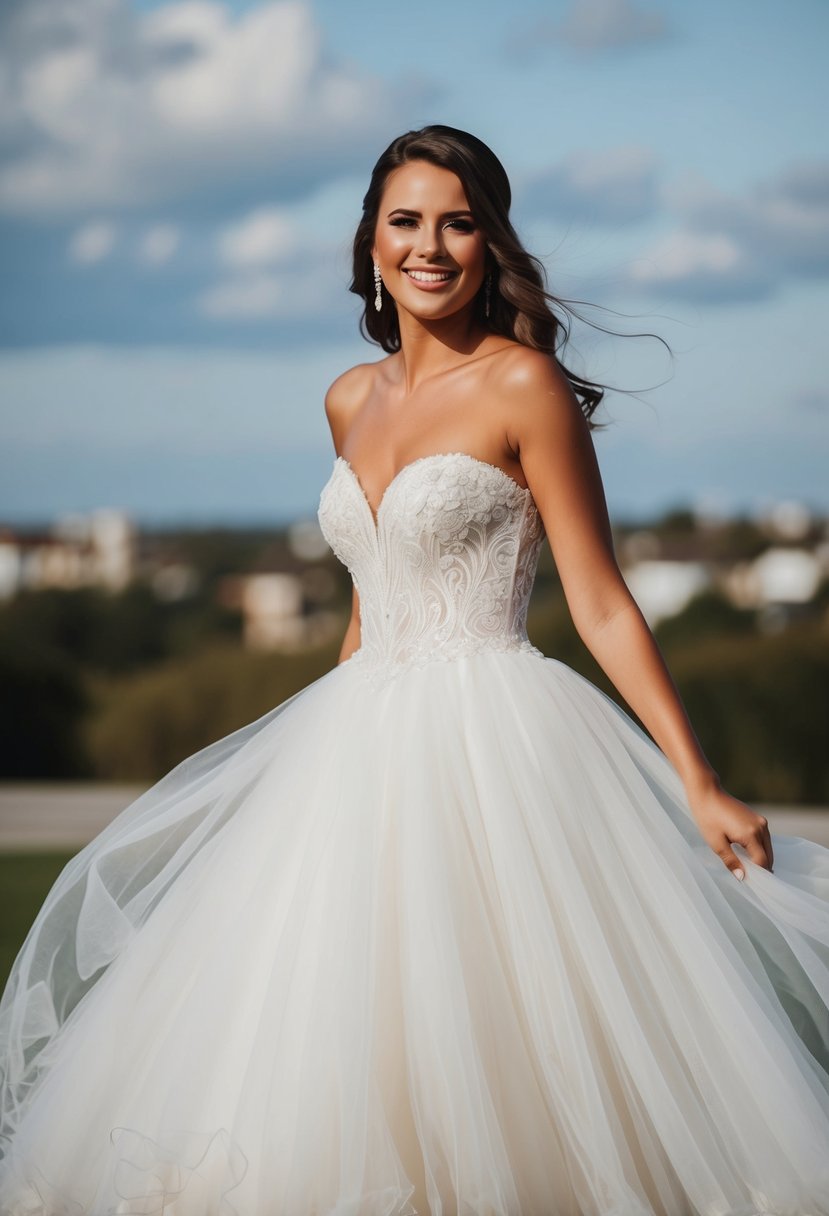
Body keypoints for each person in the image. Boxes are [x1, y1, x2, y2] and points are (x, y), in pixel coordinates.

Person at [0, 124, 828, 1216]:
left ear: (491, 243)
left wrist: (696, 776)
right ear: (371, 242)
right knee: (320, 1028)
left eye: (458, 221)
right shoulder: (349, 398)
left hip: (499, 741)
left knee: (498, 1040)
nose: (430, 245)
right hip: (353, 740)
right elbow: (368, 599)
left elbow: (600, 598)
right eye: (406, 221)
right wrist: (306, 758)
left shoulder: (522, 384)